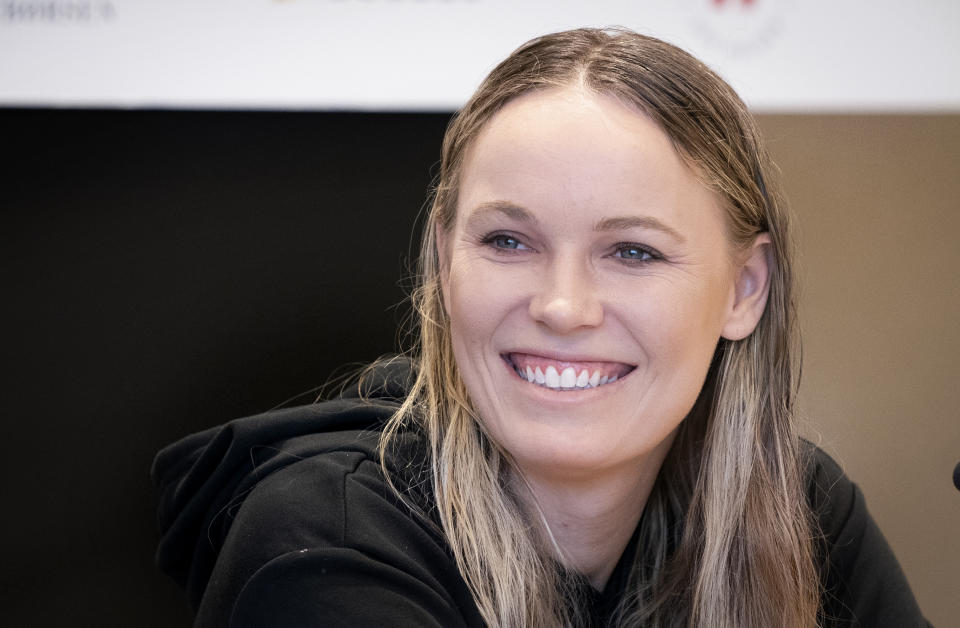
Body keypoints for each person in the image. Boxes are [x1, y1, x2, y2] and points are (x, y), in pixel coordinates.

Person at [153, 28, 930, 627]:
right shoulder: (324, 543)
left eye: (632, 250)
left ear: (744, 288)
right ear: (442, 260)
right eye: (508, 241)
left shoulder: (797, 507)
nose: (563, 306)